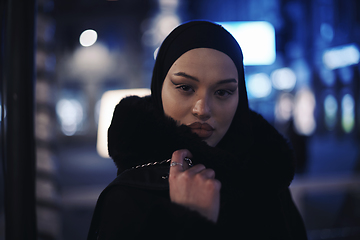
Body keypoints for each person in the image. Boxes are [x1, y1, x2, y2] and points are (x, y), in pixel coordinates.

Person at [88, 20, 307, 240]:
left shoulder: (266, 180)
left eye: (223, 92)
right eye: (185, 87)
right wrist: (193, 221)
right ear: (159, 87)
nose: (202, 109)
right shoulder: (129, 197)